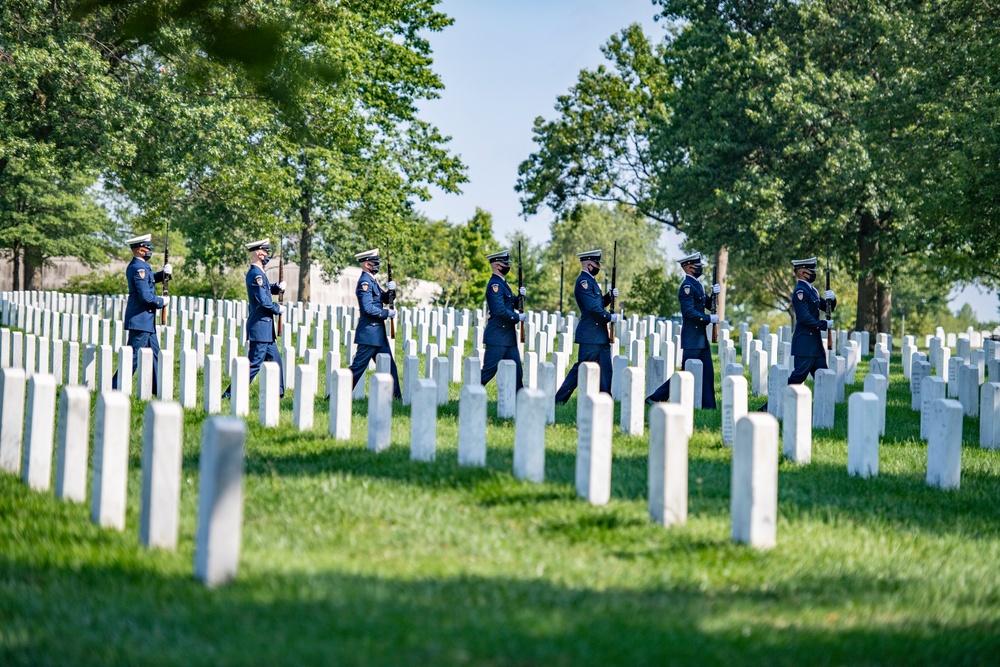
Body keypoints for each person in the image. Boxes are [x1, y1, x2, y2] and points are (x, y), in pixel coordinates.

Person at [646, 252, 720, 408]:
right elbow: (689, 312)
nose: (699, 270)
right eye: (696, 267)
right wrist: (708, 319)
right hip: (692, 338)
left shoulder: (697, 285)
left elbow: (707, 305)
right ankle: (655, 398)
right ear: (688, 267)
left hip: (700, 338)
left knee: (708, 373)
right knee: (685, 373)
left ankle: (709, 406)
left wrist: (714, 294)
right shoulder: (687, 286)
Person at [222, 239, 286, 399]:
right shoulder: (256, 274)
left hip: (266, 330)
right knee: (254, 365)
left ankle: (279, 394)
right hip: (260, 328)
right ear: (258, 252)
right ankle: (230, 394)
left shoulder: (259, 273)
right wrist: (278, 308)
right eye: (265, 251)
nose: (267, 255)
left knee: (276, 362)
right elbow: (263, 301)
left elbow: (264, 289)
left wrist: (276, 287)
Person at [555, 249, 619, 403]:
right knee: (580, 370)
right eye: (597, 264)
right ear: (589, 265)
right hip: (590, 335)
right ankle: (558, 400)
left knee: (605, 371)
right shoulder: (583, 282)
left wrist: (609, 297)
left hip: (599, 335)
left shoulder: (591, 282)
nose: (599, 266)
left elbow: (598, 304)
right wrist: (610, 317)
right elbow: (591, 308)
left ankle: (605, 400)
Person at [112, 233, 171, 394]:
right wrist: (161, 302)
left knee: (155, 356)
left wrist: (164, 274)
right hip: (140, 320)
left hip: (146, 321)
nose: (149, 250)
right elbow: (145, 296)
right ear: (139, 250)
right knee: (133, 358)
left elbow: (150, 280)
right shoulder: (137, 268)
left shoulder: (143, 267)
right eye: (147, 248)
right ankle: (114, 388)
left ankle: (156, 390)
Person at [348, 248, 402, 399]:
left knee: (390, 368)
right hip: (369, 334)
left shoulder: (372, 281)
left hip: (378, 334)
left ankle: (397, 399)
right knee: (357, 369)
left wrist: (392, 291)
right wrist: (386, 313)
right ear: (366, 264)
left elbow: (384, 299)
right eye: (374, 263)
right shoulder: (364, 282)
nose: (377, 265)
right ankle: (335, 395)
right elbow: (368, 308)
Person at [480, 249, 526, 390]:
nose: (508, 266)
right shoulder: (495, 285)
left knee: (517, 372)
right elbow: (499, 310)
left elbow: (512, 303)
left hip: (508, 338)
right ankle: (469, 395)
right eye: (505, 263)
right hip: (497, 337)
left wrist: (521, 297)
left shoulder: (503, 284)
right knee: (488, 371)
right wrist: (517, 317)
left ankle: (520, 400)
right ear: (497, 266)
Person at [787, 257, 836, 384]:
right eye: (812, 271)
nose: (814, 274)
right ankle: (773, 404)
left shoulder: (812, 290)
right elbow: (804, 318)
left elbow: (826, 308)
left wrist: (833, 299)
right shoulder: (801, 291)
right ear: (803, 273)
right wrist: (823, 324)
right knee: (796, 379)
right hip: (805, 345)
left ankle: (826, 404)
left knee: (824, 379)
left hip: (815, 345)